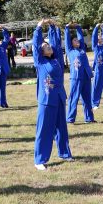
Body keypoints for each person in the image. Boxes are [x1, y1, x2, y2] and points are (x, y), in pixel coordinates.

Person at [33, 19, 73, 171]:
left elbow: (55, 42)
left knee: (61, 127)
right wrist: (39, 27)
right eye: (45, 46)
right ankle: (39, 160)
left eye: (48, 45)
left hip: (59, 97)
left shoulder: (57, 60)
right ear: (41, 52)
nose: (48, 46)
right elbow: (36, 45)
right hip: (46, 99)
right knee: (44, 129)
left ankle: (64, 153)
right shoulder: (40, 62)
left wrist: (52, 26)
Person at [65, 23, 95, 124]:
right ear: (71, 43)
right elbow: (67, 39)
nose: (77, 41)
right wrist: (67, 28)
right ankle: (70, 119)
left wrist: (78, 27)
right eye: (74, 40)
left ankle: (89, 118)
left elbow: (81, 38)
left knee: (87, 99)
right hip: (76, 77)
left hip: (86, 76)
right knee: (74, 98)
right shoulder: (70, 50)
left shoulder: (82, 49)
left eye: (77, 40)